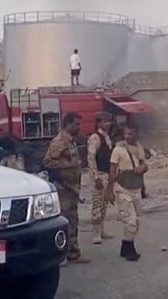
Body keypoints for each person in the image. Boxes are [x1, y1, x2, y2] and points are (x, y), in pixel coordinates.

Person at [42, 112, 89, 263]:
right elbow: (48, 163)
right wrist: (65, 167)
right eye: (76, 124)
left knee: (73, 219)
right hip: (64, 188)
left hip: (73, 188)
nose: (79, 127)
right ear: (68, 124)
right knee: (64, 220)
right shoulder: (60, 142)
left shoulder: (71, 141)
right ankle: (61, 254)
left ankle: (73, 252)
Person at [105, 125, 148, 261]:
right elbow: (112, 171)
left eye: (131, 133)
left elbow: (143, 165)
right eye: (126, 133)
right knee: (131, 221)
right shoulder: (118, 150)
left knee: (136, 222)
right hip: (122, 188)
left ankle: (126, 246)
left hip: (135, 188)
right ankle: (130, 250)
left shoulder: (139, 148)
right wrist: (109, 190)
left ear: (136, 134)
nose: (128, 136)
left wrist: (143, 169)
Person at [87, 111, 115, 243]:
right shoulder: (95, 138)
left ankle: (102, 229)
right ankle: (96, 233)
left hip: (107, 174)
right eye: (105, 121)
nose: (108, 123)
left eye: (109, 121)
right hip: (99, 175)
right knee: (97, 204)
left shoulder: (107, 137)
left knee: (104, 203)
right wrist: (96, 177)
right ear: (99, 123)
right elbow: (91, 158)